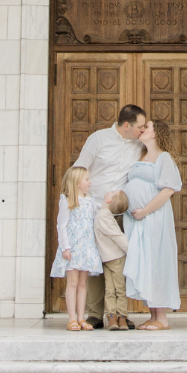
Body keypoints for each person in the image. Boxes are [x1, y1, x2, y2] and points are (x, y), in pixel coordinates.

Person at [74, 103, 147, 328]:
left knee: (118, 265)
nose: (142, 131)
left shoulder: (139, 144)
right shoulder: (98, 139)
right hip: (93, 211)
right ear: (127, 125)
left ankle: (119, 313)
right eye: (140, 127)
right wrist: (74, 205)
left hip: (119, 212)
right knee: (95, 264)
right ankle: (95, 314)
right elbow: (79, 169)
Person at [122, 117, 183, 330]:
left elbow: (168, 189)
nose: (142, 129)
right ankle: (152, 315)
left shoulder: (163, 157)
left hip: (154, 218)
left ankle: (162, 318)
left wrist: (145, 211)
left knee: (157, 261)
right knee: (146, 263)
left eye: (146, 127)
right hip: (137, 221)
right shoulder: (142, 156)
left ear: (156, 133)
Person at [49, 167, 101, 331]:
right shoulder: (67, 199)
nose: (89, 182)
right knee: (72, 282)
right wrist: (65, 247)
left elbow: (95, 217)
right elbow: (61, 225)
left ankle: (81, 317)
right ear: (77, 183)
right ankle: (71, 318)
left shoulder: (90, 200)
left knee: (83, 283)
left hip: (86, 247)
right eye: (86, 179)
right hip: (73, 247)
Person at [94, 190, 131, 330]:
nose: (110, 190)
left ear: (109, 200)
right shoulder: (104, 215)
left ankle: (121, 317)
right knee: (111, 289)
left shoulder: (103, 216)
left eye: (113, 192)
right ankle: (112, 317)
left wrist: (131, 252)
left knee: (118, 289)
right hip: (108, 258)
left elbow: (117, 236)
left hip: (116, 258)